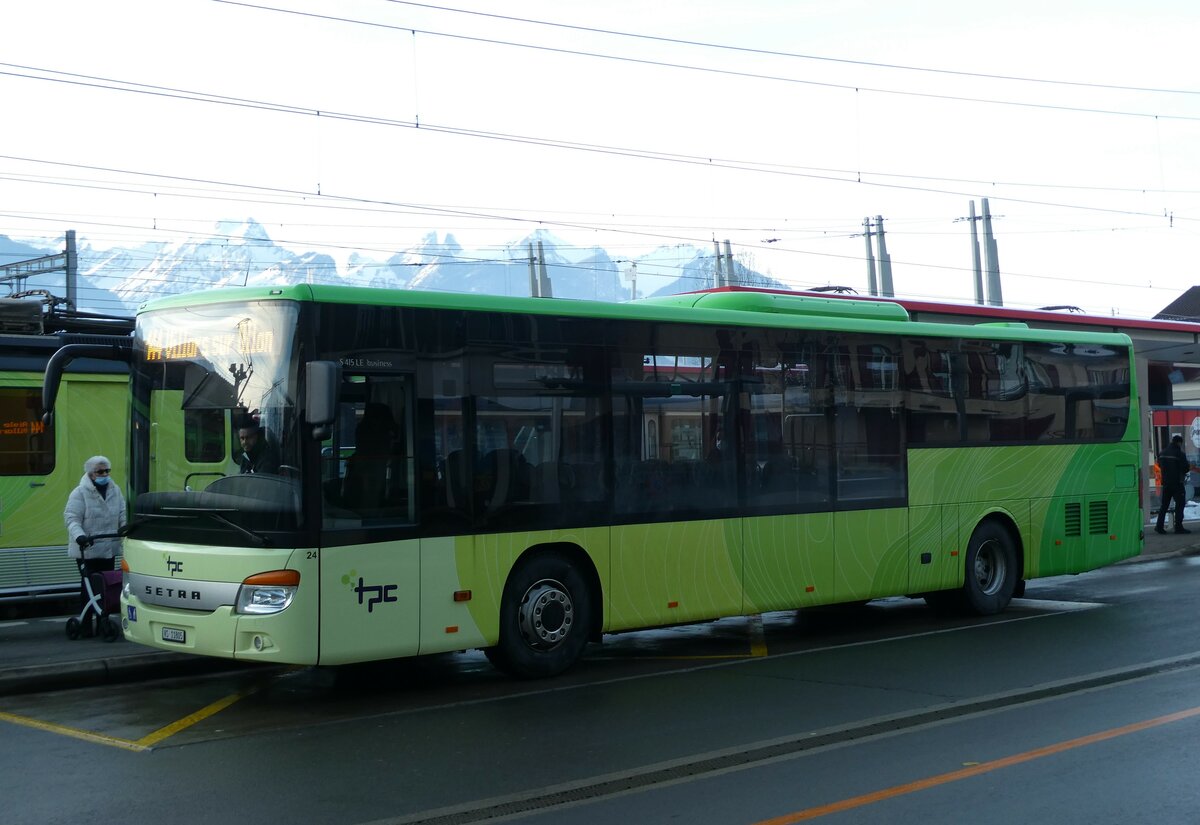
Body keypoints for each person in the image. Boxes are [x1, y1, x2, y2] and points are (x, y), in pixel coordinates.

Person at [63, 456, 127, 630]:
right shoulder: (79, 493)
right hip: (88, 548)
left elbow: (122, 514)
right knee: (89, 585)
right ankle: (85, 622)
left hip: (107, 547)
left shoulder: (116, 490)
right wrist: (80, 536)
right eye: (100, 471)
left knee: (105, 585)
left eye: (107, 470)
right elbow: (71, 518)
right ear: (91, 474)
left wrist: (124, 531)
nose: (105, 474)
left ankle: (101, 621)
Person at [1155, 434, 1190, 535]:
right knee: (1180, 505)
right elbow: (1185, 468)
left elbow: (1160, 465)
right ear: (1179, 443)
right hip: (1177, 483)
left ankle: (1159, 526)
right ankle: (1178, 527)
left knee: (1164, 505)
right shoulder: (1179, 454)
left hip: (1166, 483)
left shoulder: (1162, 453)